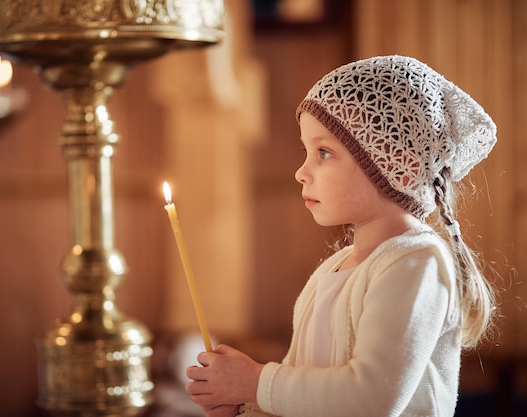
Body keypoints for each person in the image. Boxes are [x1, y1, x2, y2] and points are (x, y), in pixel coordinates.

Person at [185, 55, 498, 417]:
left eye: (324, 152)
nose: (302, 172)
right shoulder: (333, 269)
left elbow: (370, 400)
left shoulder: (415, 263)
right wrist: (246, 405)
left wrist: (256, 382)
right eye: (308, 152)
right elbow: (307, 391)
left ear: (398, 163)